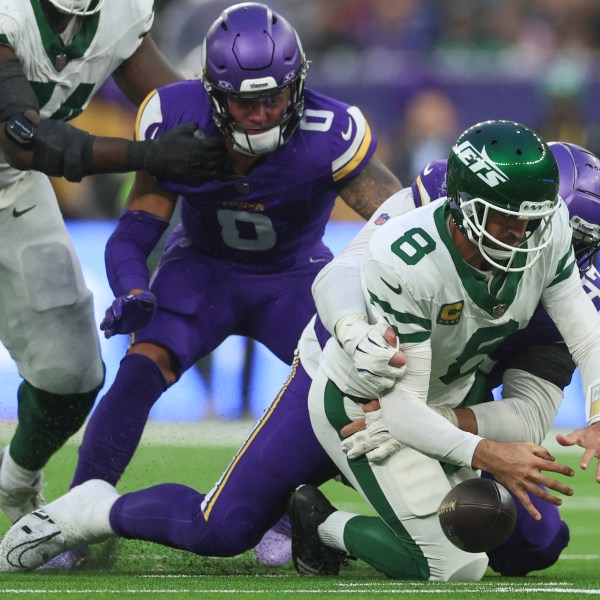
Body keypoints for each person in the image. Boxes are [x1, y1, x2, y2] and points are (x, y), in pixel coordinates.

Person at [0, 125, 593, 578]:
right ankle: (93, 508)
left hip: (430, 409)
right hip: (354, 381)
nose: (532, 240)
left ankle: (321, 523)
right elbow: (344, 274)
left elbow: (533, 412)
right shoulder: (432, 219)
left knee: (531, 540)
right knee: (225, 526)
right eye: (522, 221)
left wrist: (446, 422)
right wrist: (352, 331)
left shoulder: (560, 273)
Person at [64, 1, 401, 498]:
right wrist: (131, 287)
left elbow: (395, 224)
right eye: (247, 102)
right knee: (140, 368)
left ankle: (287, 510)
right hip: (202, 270)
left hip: (294, 280)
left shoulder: (330, 133)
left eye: (274, 97)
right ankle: (76, 509)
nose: (262, 114)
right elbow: (136, 227)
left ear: (297, 86)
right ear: (214, 93)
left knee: (347, 395)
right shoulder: (177, 117)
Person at [292, 119, 600, 581]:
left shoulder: (548, 224)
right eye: (506, 215)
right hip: (365, 401)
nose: (521, 232)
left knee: (490, 528)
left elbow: (585, 329)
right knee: (457, 565)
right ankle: (320, 525)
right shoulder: (405, 257)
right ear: (463, 202)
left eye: (532, 217)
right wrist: (490, 454)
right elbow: (400, 410)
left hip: (442, 396)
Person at [0, 0, 227, 528]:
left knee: (72, 372)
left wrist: (248, 113)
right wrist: (146, 156)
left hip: (11, 196)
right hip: (22, 168)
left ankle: (14, 483)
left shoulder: (120, 14)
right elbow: (21, 137)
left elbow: (179, 105)